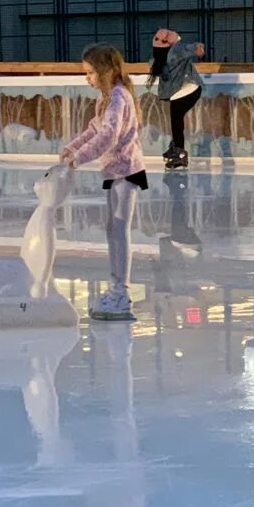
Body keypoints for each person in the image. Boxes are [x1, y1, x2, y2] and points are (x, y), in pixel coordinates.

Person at [60, 43, 147, 322]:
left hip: (126, 171)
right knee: (114, 229)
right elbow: (94, 129)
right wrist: (71, 148)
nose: (87, 78)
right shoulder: (107, 98)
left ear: (105, 71)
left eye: (90, 72)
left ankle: (121, 292)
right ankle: (116, 287)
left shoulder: (119, 97)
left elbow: (109, 136)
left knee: (119, 230)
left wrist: (79, 157)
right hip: (114, 171)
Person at [148, 28, 206, 171]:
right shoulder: (176, 50)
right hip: (189, 90)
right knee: (176, 122)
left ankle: (178, 151)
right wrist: (200, 48)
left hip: (185, 91)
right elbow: (193, 47)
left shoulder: (158, 59)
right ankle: (177, 149)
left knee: (176, 122)